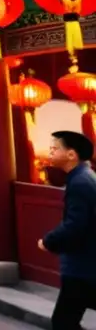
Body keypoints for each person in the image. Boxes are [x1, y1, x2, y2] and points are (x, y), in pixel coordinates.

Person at [40, 130, 96, 328]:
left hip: (83, 266)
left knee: (64, 322)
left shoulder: (80, 182)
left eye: (55, 149)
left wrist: (48, 240)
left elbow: (75, 224)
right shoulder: (85, 177)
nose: (50, 153)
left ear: (71, 154)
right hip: (86, 262)